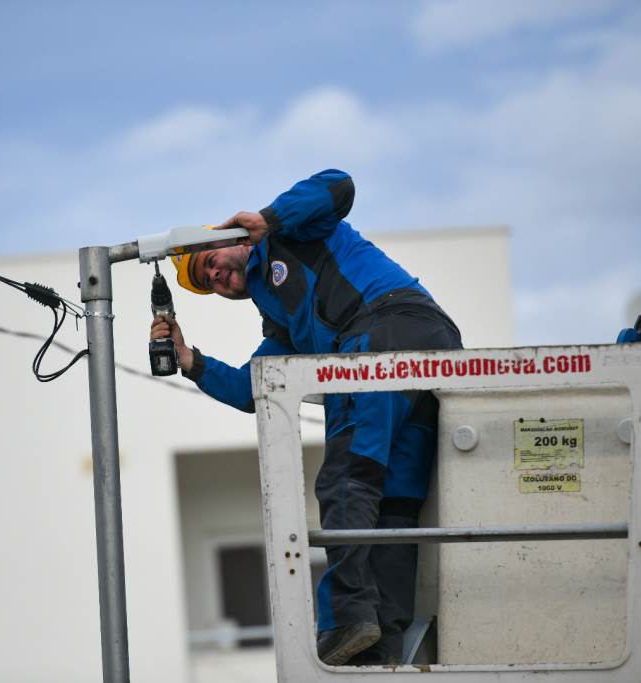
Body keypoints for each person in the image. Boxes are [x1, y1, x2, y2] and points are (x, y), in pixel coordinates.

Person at [149, 169, 462, 666]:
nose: (217, 278)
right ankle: (381, 645)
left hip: (382, 331)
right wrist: (190, 361)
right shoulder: (282, 317)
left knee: (345, 480)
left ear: (229, 237)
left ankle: (344, 620)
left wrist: (268, 219)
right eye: (208, 282)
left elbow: (339, 186)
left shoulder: (291, 230)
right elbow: (257, 388)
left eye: (212, 262)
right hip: (427, 349)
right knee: (394, 505)